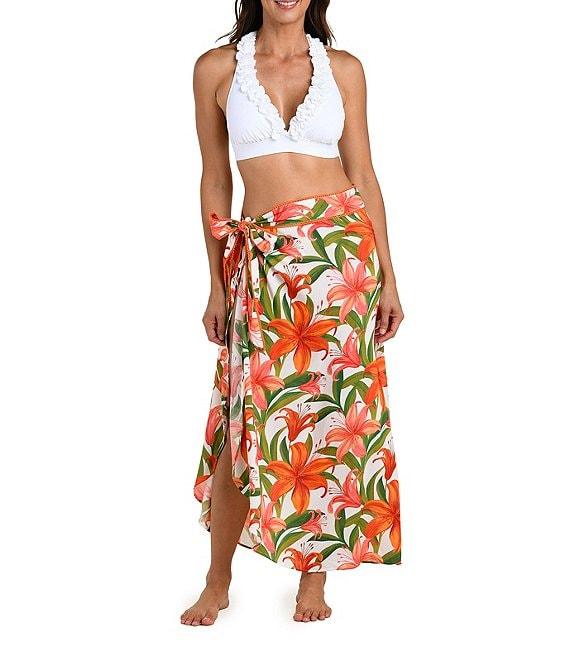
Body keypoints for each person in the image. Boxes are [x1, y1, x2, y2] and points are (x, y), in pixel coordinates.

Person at [181, 0, 404, 626]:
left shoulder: (344, 69)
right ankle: (218, 578)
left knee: (330, 421)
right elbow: (215, 179)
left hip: (341, 261)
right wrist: (216, 284)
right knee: (242, 421)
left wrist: (388, 277)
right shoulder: (216, 68)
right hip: (263, 263)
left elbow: (364, 173)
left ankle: (314, 577)